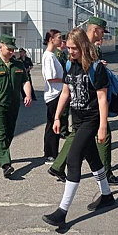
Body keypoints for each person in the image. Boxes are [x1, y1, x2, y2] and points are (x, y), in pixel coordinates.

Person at [42, 28, 114, 227]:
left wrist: (102, 127)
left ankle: (62, 211)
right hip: (77, 119)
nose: (69, 50)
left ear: (82, 46)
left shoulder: (96, 68)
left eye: (73, 48)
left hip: (91, 120)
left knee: (73, 160)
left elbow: (101, 99)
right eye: (68, 47)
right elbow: (65, 92)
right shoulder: (69, 64)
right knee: (93, 158)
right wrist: (57, 117)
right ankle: (107, 195)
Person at [49, 17, 118, 186]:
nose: (103, 36)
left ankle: (60, 166)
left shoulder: (90, 50)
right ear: (95, 29)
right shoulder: (86, 49)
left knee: (80, 137)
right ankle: (106, 174)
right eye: (102, 32)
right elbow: (73, 87)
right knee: (98, 137)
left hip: (83, 106)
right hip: (89, 107)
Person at [0, 35, 32, 178]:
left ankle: (2, 153)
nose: (11, 52)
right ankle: (5, 164)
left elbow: (25, 81)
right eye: (9, 49)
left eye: (13, 49)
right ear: (0, 47)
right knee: (0, 133)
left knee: (9, 133)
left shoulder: (18, 65)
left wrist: (27, 95)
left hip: (13, 105)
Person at [41, 31, 65, 164]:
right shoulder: (48, 56)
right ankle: (50, 154)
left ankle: (53, 151)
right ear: (51, 39)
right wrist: (65, 79)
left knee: (55, 124)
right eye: (59, 38)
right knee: (52, 125)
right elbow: (50, 78)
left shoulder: (52, 55)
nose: (61, 40)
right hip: (53, 94)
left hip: (57, 92)